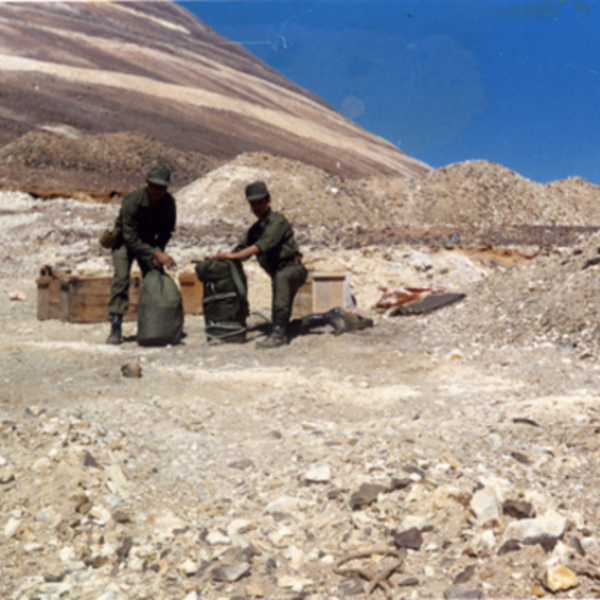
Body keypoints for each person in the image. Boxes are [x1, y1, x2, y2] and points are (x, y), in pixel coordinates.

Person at [214, 181, 349, 348]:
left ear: (268, 201)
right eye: (252, 204)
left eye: (259, 203)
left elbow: (262, 245)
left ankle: (277, 336)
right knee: (286, 325)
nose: (256, 207)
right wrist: (222, 258)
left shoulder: (277, 221)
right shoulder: (255, 229)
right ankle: (330, 317)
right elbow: (242, 249)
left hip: (292, 270)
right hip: (278, 275)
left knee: (281, 281)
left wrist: (233, 255)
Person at [106, 164, 176, 345]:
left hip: (149, 243)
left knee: (155, 278)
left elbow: (167, 231)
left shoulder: (169, 203)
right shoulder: (132, 201)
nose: (158, 191)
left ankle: (153, 326)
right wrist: (156, 252)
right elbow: (129, 238)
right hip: (125, 243)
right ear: (146, 183)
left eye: (162, 188)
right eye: (155, 186)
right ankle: (115, 327)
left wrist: (158, 251)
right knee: (121, 280)